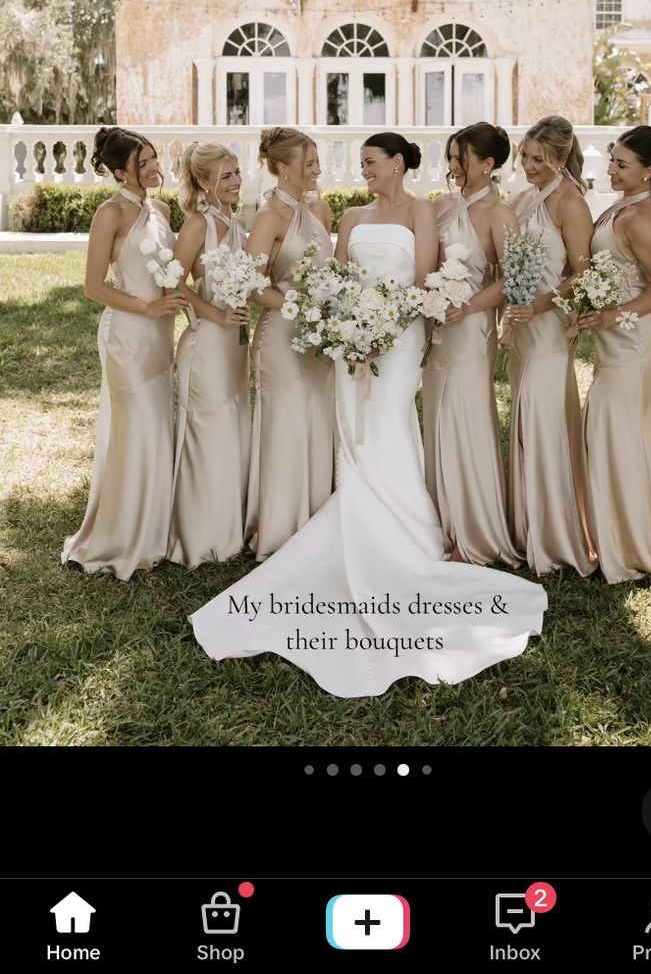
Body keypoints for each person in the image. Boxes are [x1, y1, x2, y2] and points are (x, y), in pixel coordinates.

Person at [189, 132, 547, 698]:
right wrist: (348, 324)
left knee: (390, 425)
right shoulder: (350, 216)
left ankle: (408, 534)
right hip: (349, 338)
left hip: (401, 338)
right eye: (360, 164)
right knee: (353, 430)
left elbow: (425, 278)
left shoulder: (424, 211)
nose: (363, 172)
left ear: (398, 164)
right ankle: (357, 518)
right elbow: (333, 278)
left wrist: (389, 323)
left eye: (371, 163)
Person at [62, 126, 186, 579]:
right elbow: (94, 286)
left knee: (158, 429)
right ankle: (122, 536)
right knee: (136, 429)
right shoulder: (110, 214)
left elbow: (171, 272)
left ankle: (154, 532)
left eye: (155, 158)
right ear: (120, 172)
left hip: (160, 337)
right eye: (144, 162)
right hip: (128, 336)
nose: (156, 167)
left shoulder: (163, 209)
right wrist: (147, 306)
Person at [578, 125, 651, 583]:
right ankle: (618, 538)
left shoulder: (643, 216)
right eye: (612, 159)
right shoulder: (620, 204)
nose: (612, 169)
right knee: (614, 433)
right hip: (614, 341)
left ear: (650, 171)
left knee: (622, 432)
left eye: (622, 164)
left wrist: (612, 315)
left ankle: (637, 545)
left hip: (635, 342)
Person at [423, 122, 520, 566]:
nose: (453, 166)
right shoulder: (441, 205)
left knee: (466, 417)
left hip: (472, 327)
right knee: (436, 416)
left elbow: (511, 281)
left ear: (489, 163)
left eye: (461, 158)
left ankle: (473, 531)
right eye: (451, 157)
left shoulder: (499, 215)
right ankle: (435, 521)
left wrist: (466, 306)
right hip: (436, 328)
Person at [505, 116, 598, 577]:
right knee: (523, 424)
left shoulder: (570, 202)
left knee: (543, 423)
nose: (528, 166)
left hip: (547, 329)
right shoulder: (521, 200)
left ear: (561, 159)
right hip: (519, 329)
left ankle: (555, 538)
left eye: (538, 159)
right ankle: (526, 530)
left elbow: (581, 274)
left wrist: (538, 306)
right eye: (524, 156)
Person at [244, 127, 336, 559]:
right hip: (282, 336)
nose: (317, 169)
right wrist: (298, 308)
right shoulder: (270, 218)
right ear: (284, 168)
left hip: (318, 339)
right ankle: (281, 529)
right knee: (287, 425)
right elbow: (250, 284)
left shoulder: (320, 208)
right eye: (310, 163)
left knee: (318, 420)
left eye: (317, 161)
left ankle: (317, 522)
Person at [167, 142, 251, 568]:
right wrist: (215, 313)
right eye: (226, 176)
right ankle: (200, 536)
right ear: (203, 181)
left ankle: (227, 530)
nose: (236, 182)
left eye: (237, 173)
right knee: (210, 431)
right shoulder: (200, 224)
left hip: (235, 346)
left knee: (232, 428)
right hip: (206, 346)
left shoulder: (234, 221)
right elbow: (172, 283)